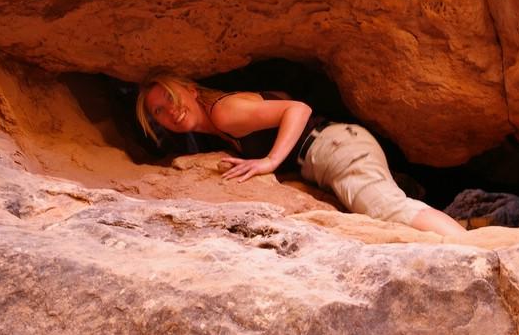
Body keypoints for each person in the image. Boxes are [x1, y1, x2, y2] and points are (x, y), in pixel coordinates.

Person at [135, 72, 466, 237]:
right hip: (333, 147)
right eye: (159, 112)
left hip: (332, 147)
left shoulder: (223, 111)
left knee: (387, 209)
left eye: (169, 97)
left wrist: (271, 162)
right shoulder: (221, 121)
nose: (170, 112)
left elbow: (297, 108)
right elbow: (280, 96)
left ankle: (471, 249)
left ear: (190, 90)